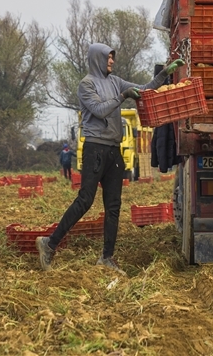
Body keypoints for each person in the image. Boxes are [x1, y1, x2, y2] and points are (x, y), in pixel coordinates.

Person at [38, 44, 184, 273]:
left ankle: (107, 257)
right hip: (95, 149)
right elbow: (99, 110)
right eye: (108, 58)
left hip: (114, 151)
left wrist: (164, 74)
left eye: (112, 58)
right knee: (85, 200)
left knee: (113, 205)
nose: (112, 61)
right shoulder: (86, 84)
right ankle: (49, 243)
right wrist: (123, 96)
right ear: (97, 59)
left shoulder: (115, 81)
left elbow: (144, 89)